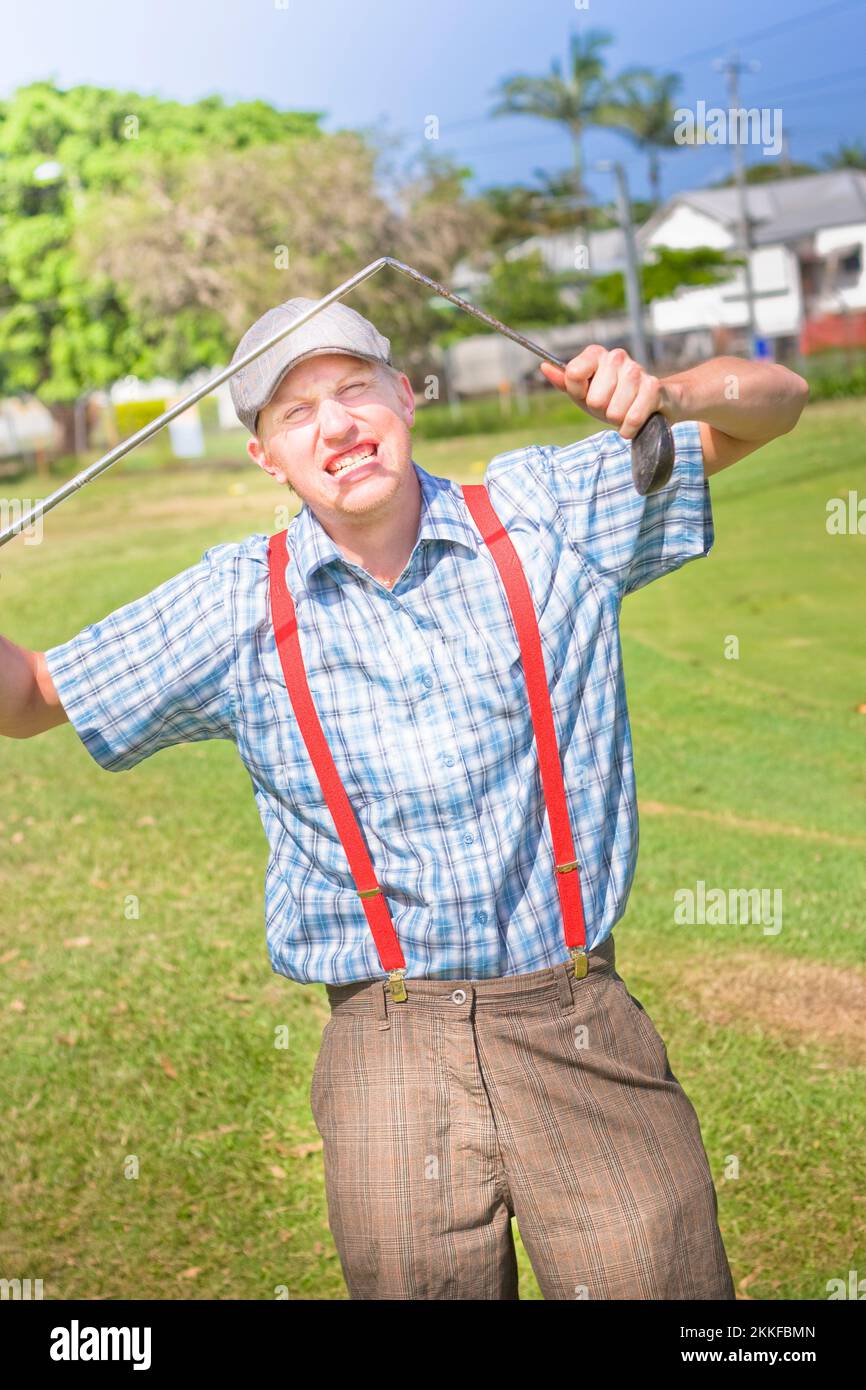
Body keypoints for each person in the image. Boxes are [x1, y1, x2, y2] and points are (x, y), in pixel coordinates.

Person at [0, 297, 808, 1299]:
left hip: (576, 1018)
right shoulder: (233, 602)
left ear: (403, 396)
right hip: (384, 1046)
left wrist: (669, 392)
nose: (334, 426)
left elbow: (778, 401)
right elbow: (34, 694)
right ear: (265, 459)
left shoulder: (546, 513)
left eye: (351, 390)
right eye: (295, 414)